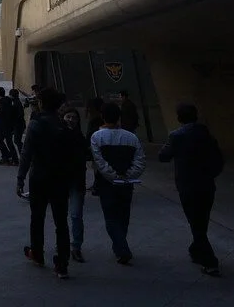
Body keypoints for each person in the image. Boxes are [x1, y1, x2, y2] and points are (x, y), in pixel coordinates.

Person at [16, 88, 79, 279]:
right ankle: (62, 263)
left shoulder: (36, 124)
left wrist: (20, 178)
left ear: (42, 103)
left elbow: (26, 154)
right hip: (60, 179)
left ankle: (37, 253)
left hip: (40, 177)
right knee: (61, 222)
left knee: (38, 217)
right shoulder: (65, 125)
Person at [159, 103, 222, 275]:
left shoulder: (177, 136)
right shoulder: (207, 135)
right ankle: (196, 249)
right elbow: (219, 161)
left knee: (196, 222)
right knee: (201, 220)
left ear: (179, 118)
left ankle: (209, 261)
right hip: (207, 185)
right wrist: (209, 175)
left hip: (188, 185)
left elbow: (163, 156)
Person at [90, 101, 146, 265]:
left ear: (102, 116)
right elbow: (140, 160)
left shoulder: (97, 137)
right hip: (127, 183)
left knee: (110, 216)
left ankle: (121, 247)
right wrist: (128, 175)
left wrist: (113, 176)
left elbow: (99, 162)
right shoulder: (131, 137)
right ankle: (120, 245)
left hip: (107, 183)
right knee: (124, 215)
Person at [61, 107, 91, 263]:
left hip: (77, 181)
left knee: (76, 214)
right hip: (62, 180)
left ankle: (76, 247)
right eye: (68, 117)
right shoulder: (58, 135)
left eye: (74, 118)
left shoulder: (80, 137)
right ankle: (64, 245)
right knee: (62, 216)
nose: (71, 120)